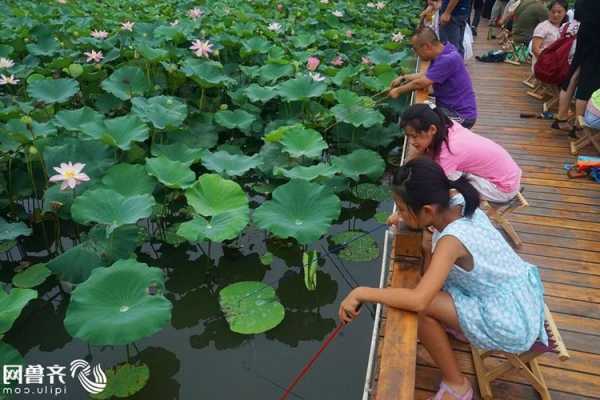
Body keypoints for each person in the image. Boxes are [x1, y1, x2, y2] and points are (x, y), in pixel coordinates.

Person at [339, 157, 547, 400]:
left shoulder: (451, 241)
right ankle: (457, 326)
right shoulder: (458, 201)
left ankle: (457, 385)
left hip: (512, 319)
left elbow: (418, 299)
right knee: (429, 293)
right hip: (523, 294)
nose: (401, 215)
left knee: (422, 308)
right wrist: (411, 223)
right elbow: (432, 258)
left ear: (427, 210)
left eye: (403, 209)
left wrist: (361, 292)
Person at [400, 104, 521, 203]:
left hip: (503, 187)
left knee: (441, 192)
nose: (411, 142)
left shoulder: (448, 153)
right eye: (408, 136)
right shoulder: (446, 124)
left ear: (432, 129)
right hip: (510, 172)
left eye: (414, 136)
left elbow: (435, 185)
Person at [389, 27, 477, 129]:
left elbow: (421, 83)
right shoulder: (445, 50)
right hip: (447, 107)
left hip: (461, 115)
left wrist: (398, 91)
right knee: (423, 113)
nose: (416, 54)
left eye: (416, 49)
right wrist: (403, 78)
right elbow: (425, 74)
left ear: (427, 46)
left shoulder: (447, 59)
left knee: (423, 123)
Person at [531, 0, 568, 66]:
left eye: (559, 12)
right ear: (549, 11)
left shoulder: (564, 28)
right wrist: (548, 62)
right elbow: (535, 49)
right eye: (553, 12)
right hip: (544, 66)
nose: (555, 14)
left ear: (565, 12)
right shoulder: (543, 27)